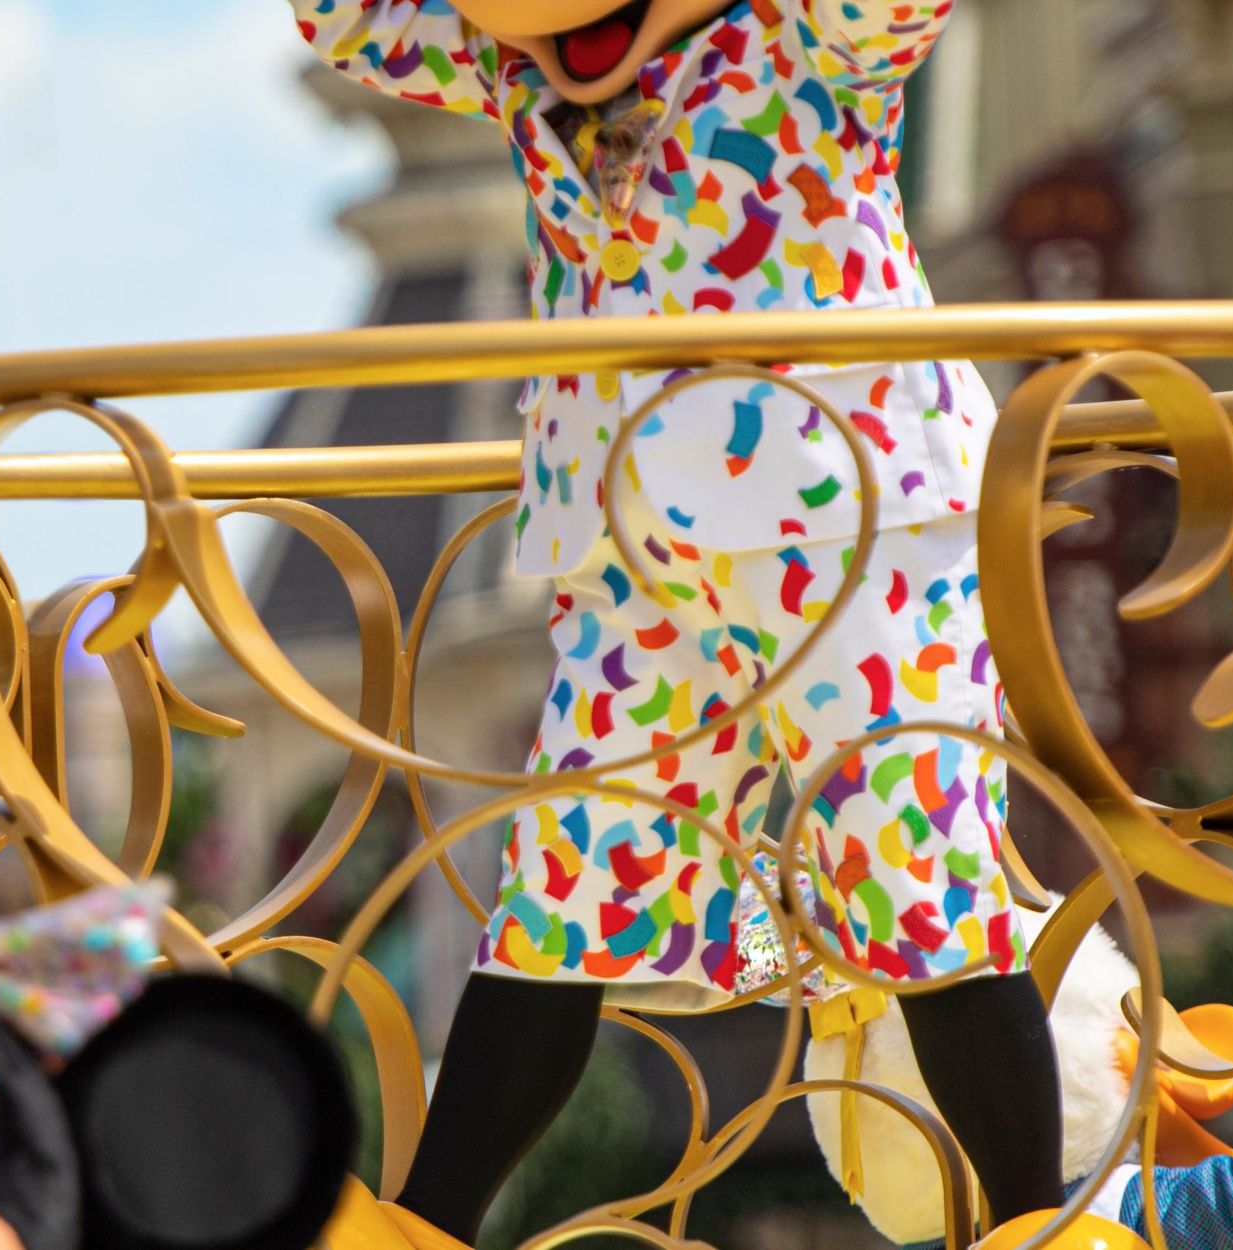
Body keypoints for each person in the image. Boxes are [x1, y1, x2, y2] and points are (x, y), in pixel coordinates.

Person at [289, 0, 1065, 1240]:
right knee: (564, 886)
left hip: (842, 520)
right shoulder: (513, 62)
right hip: (633, 550)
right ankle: (420, 1227)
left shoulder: (815, 33)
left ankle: (1046, 1227)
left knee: (917, 876)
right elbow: (347, 24)